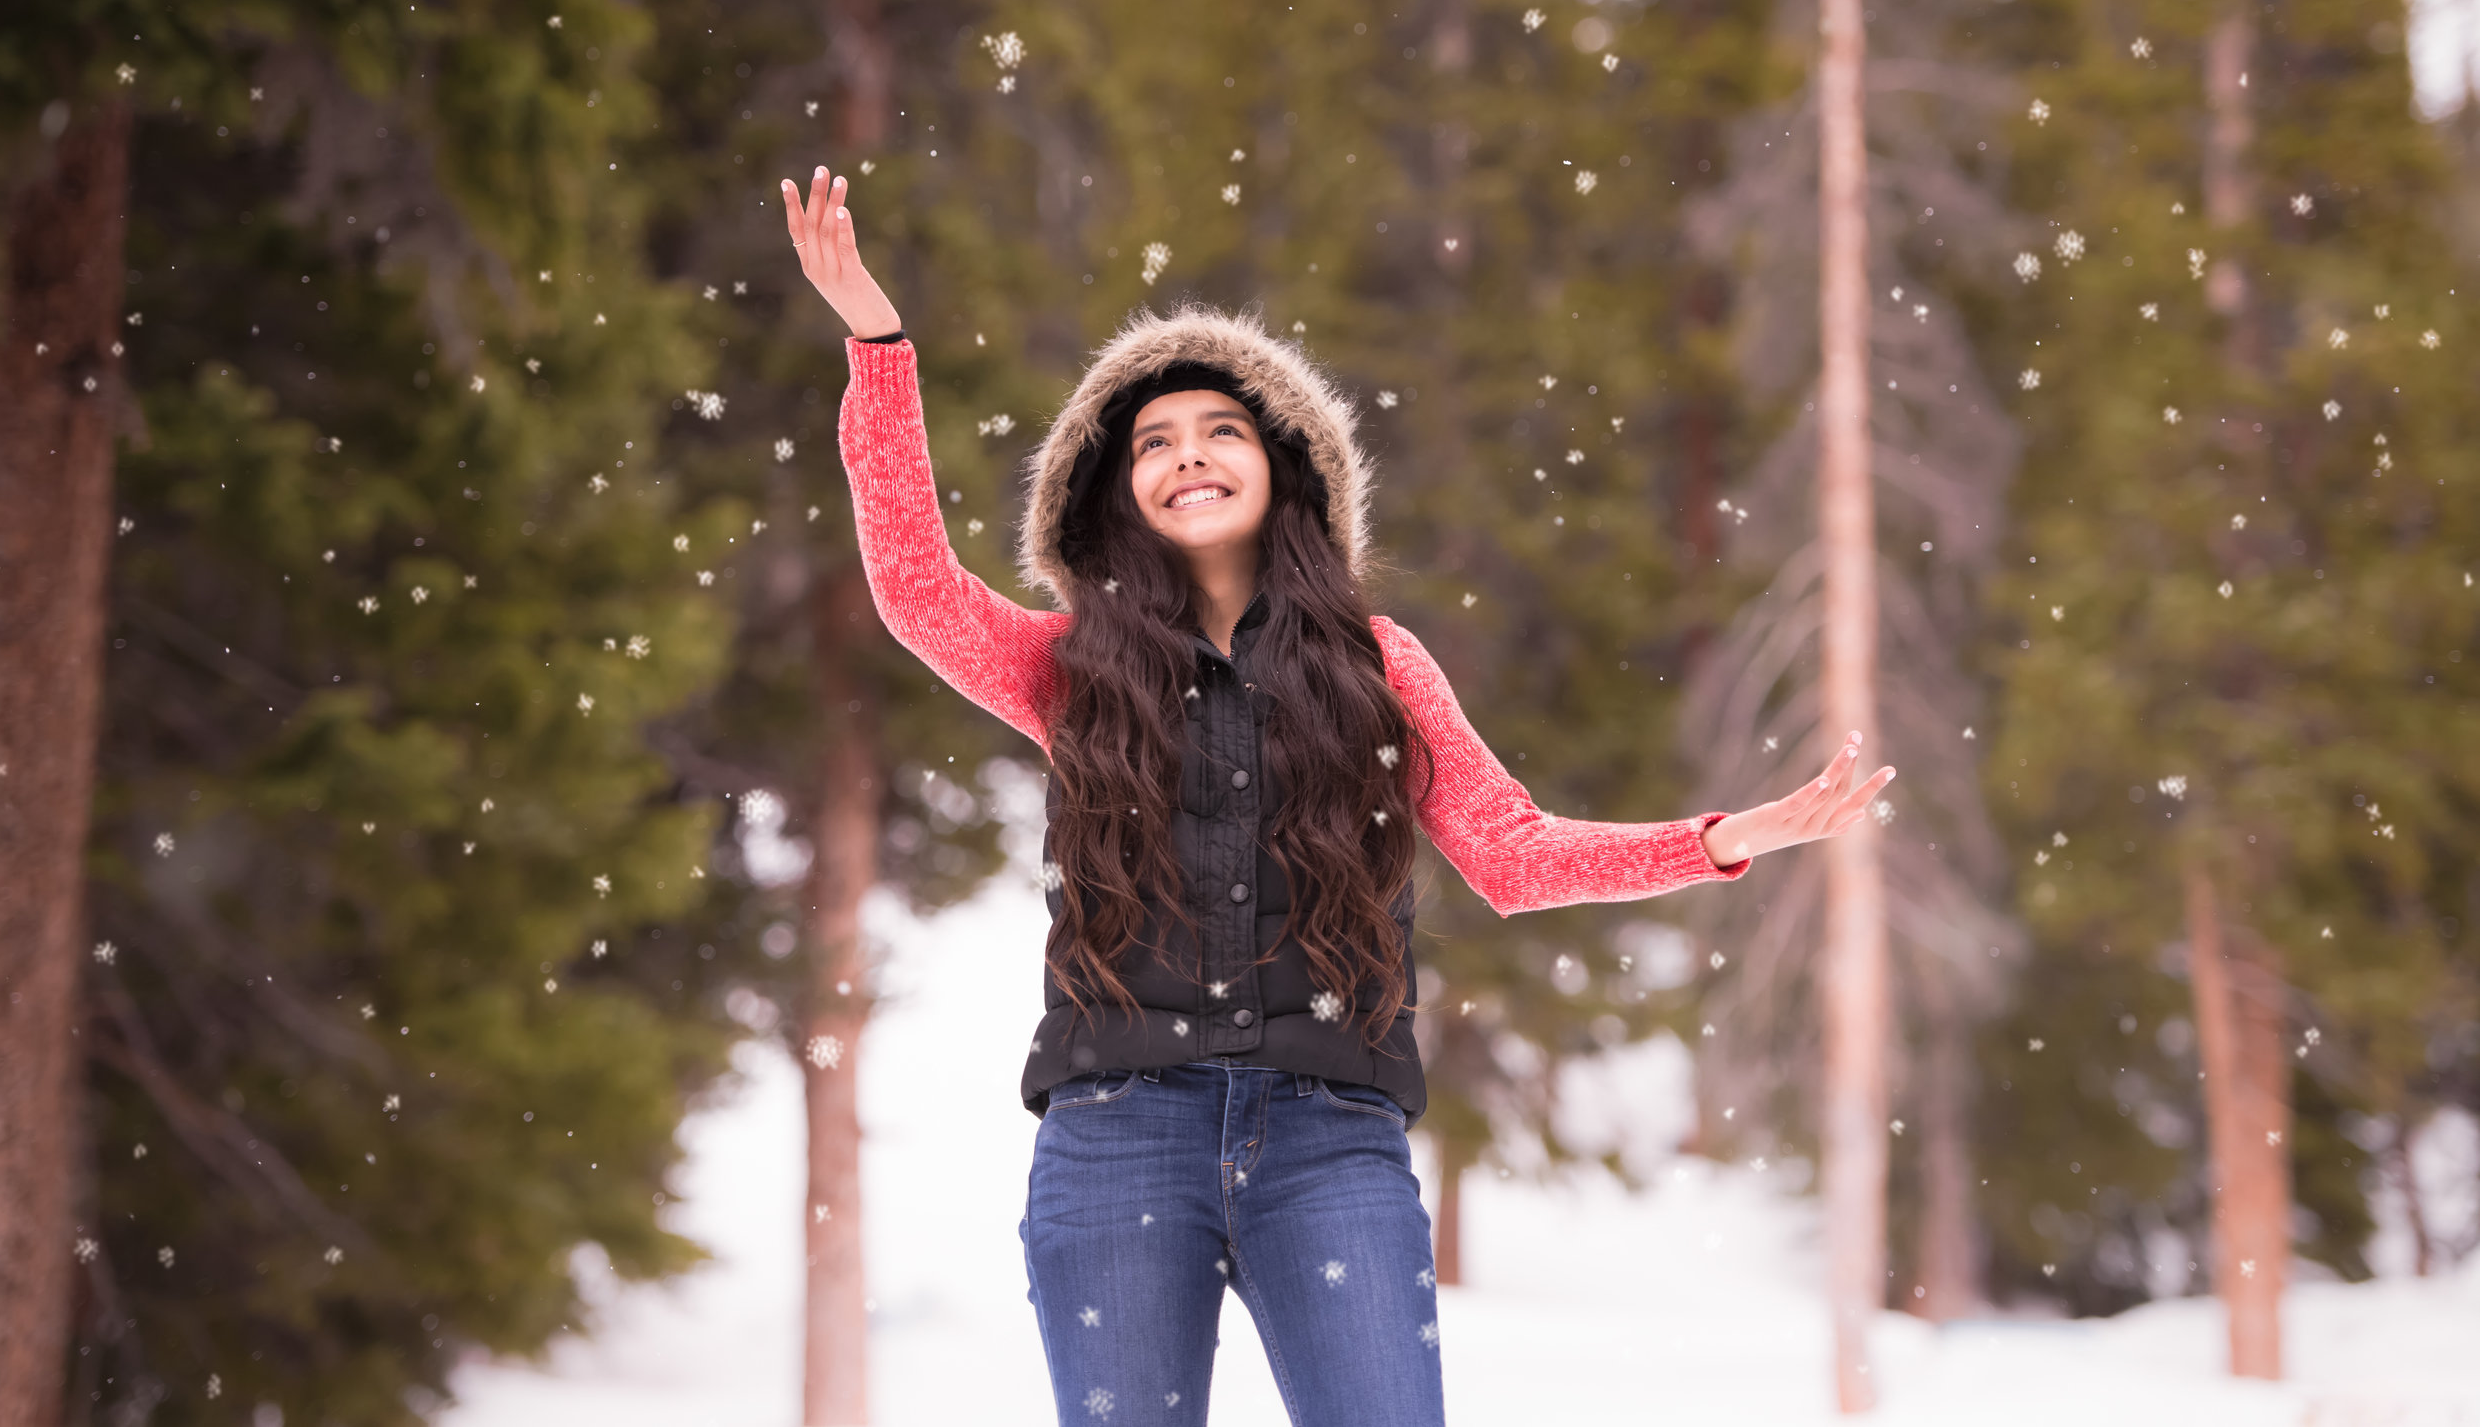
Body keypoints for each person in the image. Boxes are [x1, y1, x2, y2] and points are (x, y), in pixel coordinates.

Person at [780, 169, 1895, 1426]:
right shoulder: (1066, 665)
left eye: (1219, 433)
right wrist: (877, 343)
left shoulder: (1379, 664)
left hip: (1329, 1140)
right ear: (1114, 492)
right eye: (1152, 442)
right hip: (1118, 1132)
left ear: (1282, 468)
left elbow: (1510, 855)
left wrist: (1722, 840)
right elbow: (917, 589)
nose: (1185, 458)